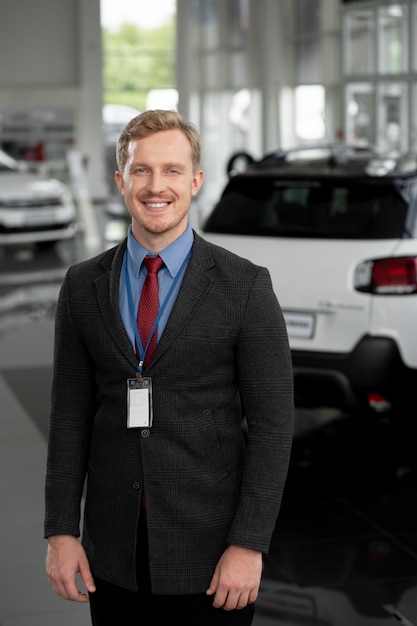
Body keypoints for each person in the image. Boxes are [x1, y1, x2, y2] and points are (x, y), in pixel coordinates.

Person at [44, 109, 294, 625]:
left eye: (173, 170)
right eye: (141, 170)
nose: (157, 186)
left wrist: (248, 545)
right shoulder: (82, 285)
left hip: (211, 551)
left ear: (196, 181)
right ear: (121, 180)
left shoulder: (245, 286)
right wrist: (62, 532)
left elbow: (272, 428)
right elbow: (69, 417)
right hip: (111, 550)